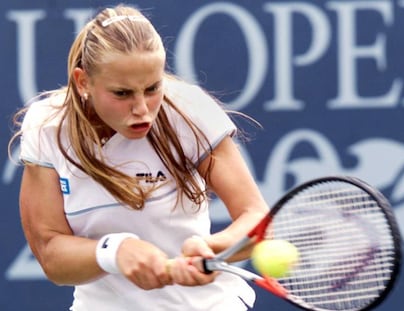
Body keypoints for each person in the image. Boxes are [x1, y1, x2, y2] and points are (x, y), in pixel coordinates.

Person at [9, 4, 269, 311]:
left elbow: (258, 219)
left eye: (152, 88)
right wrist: (115, 251)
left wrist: (210, 248)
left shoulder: (189, 112)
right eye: (122, 93)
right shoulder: (47, 127)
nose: (142, 109)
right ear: (83, 82)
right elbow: (51, 255)